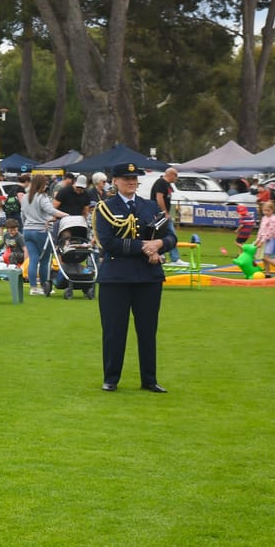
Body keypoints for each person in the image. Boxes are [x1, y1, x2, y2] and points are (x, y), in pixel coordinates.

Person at [95, 162, 167, 393]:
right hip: (116, 277)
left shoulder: (150, 206)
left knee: (148, 331)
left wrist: (159, 243)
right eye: (126, 178)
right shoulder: (105, 208)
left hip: (148, 277)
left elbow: (170, 236)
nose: (131, 182)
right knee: (114, 331)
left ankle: (149, 379)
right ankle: (111, 378)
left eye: (134, 178)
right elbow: (108, 242)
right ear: (115, 181)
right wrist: (145, 247)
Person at [20, 173, 57, 296]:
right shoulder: (42, 197)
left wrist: (26, 225)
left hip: (27, 230)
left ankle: (33, 288)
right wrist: (65, 215)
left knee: (33, 259)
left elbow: (22, 215)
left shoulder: (25, 197)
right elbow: (50, 210)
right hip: (41, 230)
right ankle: (44, 286)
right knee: (45, 260)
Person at [150, 167, 180, 263]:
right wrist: (165, 213)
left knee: (162, 235)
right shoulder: (161, 183)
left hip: (162, 214)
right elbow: (159, 198)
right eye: (176, 176)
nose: (176, 178)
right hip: (160, 214)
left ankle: (162, 255)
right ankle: (175, 258)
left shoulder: (167, 184)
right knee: (172, 235)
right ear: (171, 174)